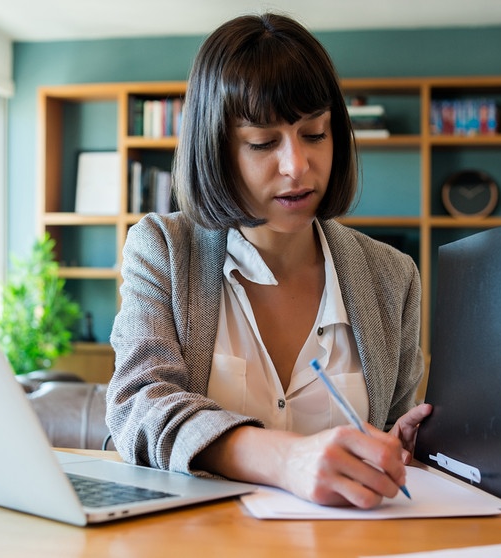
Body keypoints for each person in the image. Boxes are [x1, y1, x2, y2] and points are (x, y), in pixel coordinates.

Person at [105, 12, 431, 509]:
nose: (297, 166)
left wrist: (399, 451)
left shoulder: (393, 276)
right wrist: (286, 459)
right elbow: (138, 406)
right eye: (262, 143)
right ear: (216, 150)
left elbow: (390, 443)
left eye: (315, 134)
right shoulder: (162, 249)